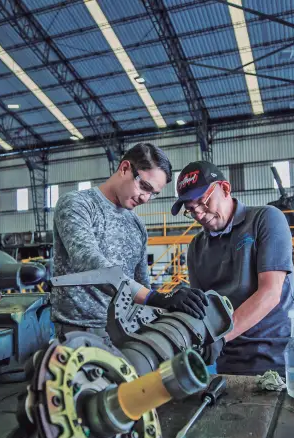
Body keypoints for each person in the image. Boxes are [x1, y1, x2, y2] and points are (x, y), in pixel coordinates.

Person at [51, 143, 209, 345]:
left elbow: (142, 284)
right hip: (79, 331)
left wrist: (165, 304)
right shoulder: (78, 204)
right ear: (125, 168)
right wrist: (157, 297)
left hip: (124, 331)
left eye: (153, 194)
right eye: (144, 186)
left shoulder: (137, 226)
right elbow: (88, 261)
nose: (146, 198)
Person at [171, 161, 294, 375]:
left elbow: (270, 293)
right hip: (228, 361)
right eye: (191, 210)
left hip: (277, 358)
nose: (199, 215)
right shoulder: (196, 247)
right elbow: (204, 309)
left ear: (226, 189)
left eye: (202, 202)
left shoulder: (266, 219)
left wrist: (220, 339)